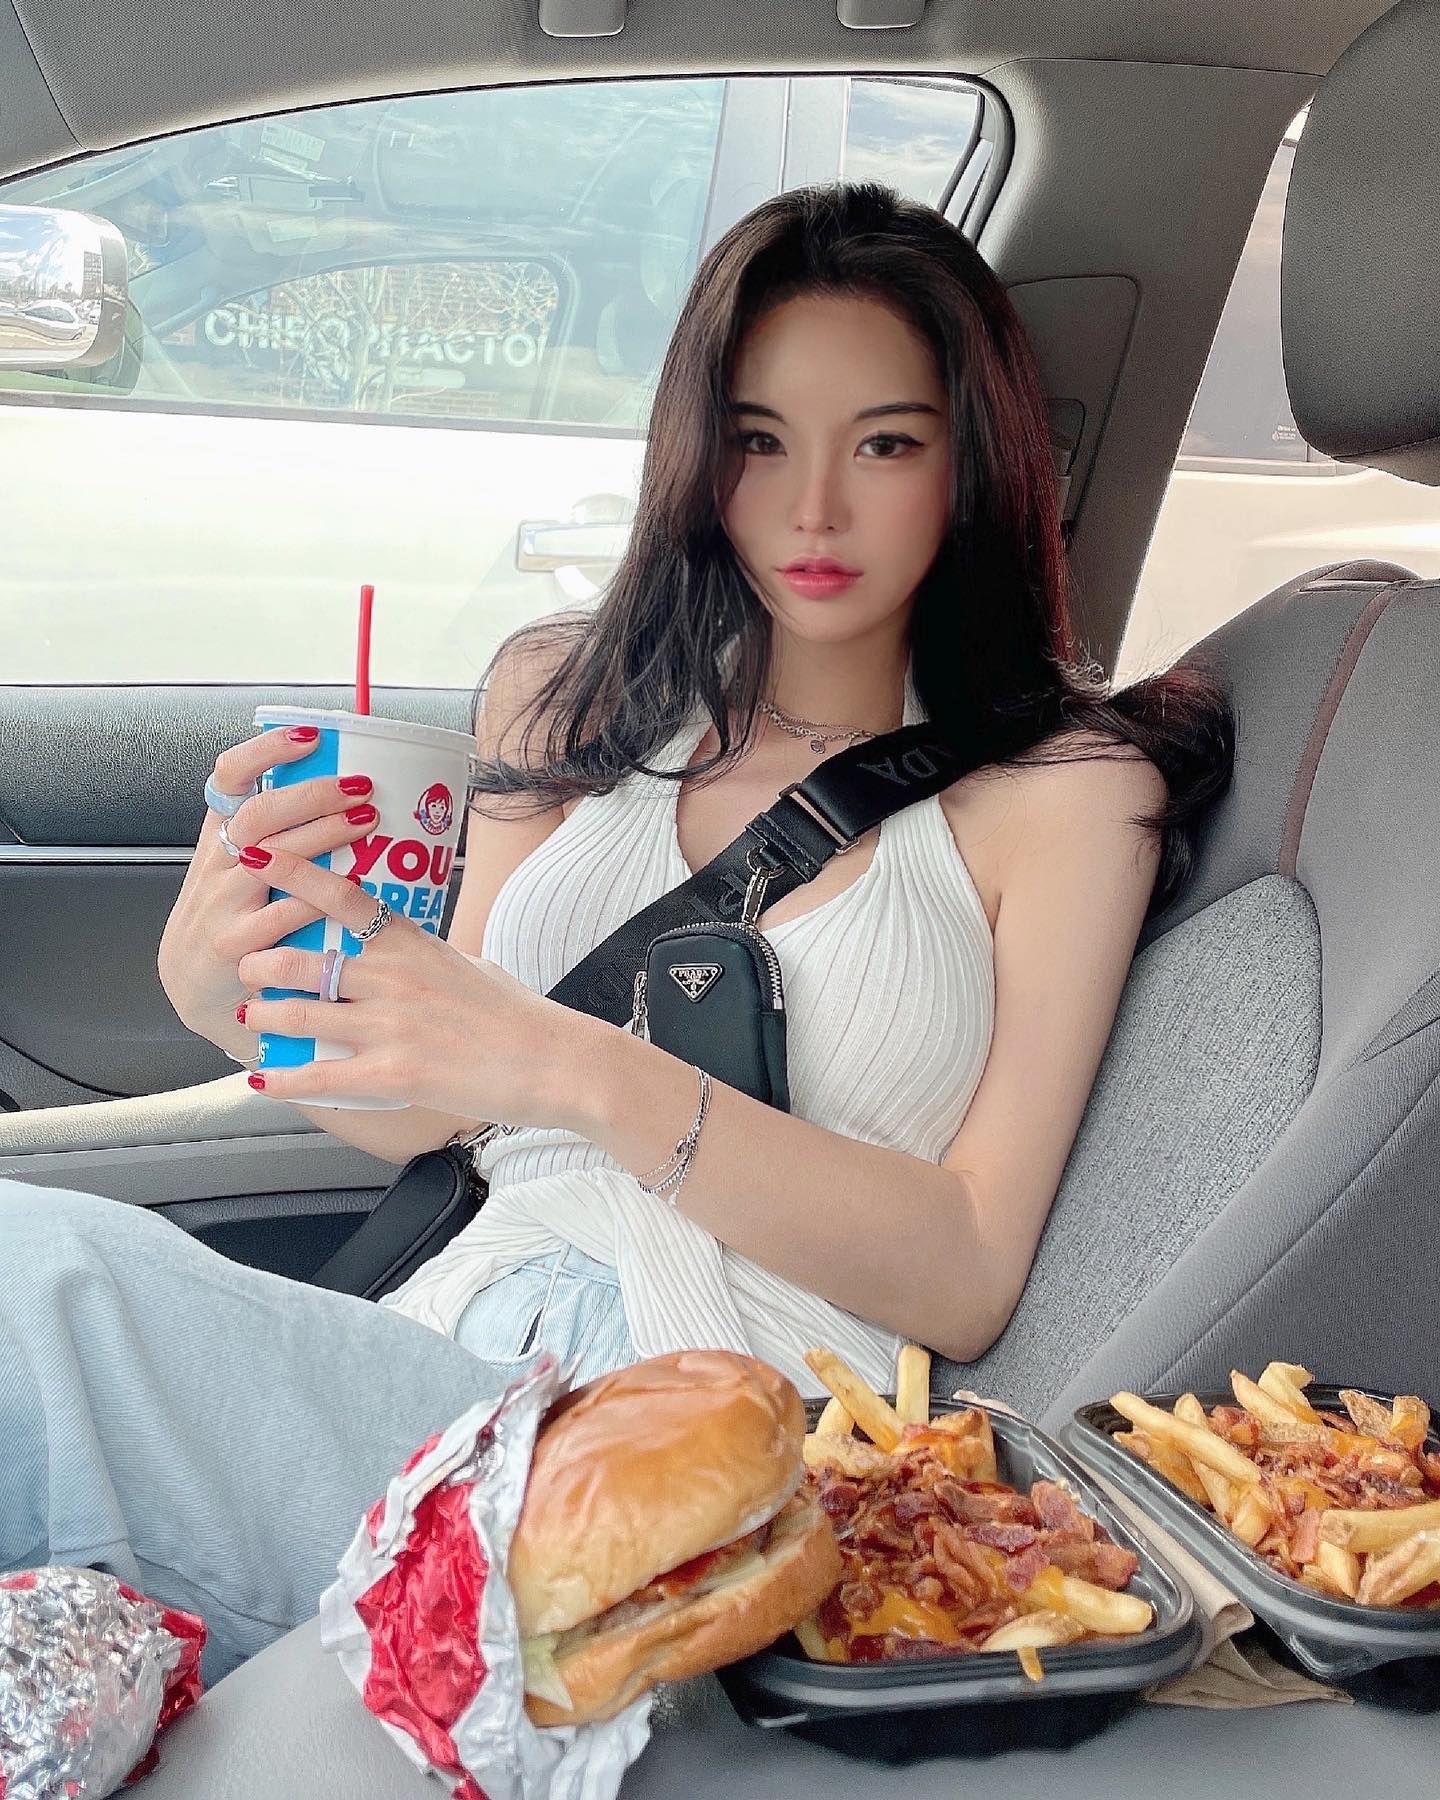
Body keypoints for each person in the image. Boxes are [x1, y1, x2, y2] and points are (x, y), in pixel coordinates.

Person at [0, 181, 1232, 1684]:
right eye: (759, 441)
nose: (814, 509)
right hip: (438, 1340)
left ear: (973, 464)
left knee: (32, 1289)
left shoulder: (1067, 793)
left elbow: (971, 1268)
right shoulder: (566, 697)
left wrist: (577, 1067)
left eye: (885, 444)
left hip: (709, 1437)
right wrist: (230, 1007)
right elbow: (445, 1112)